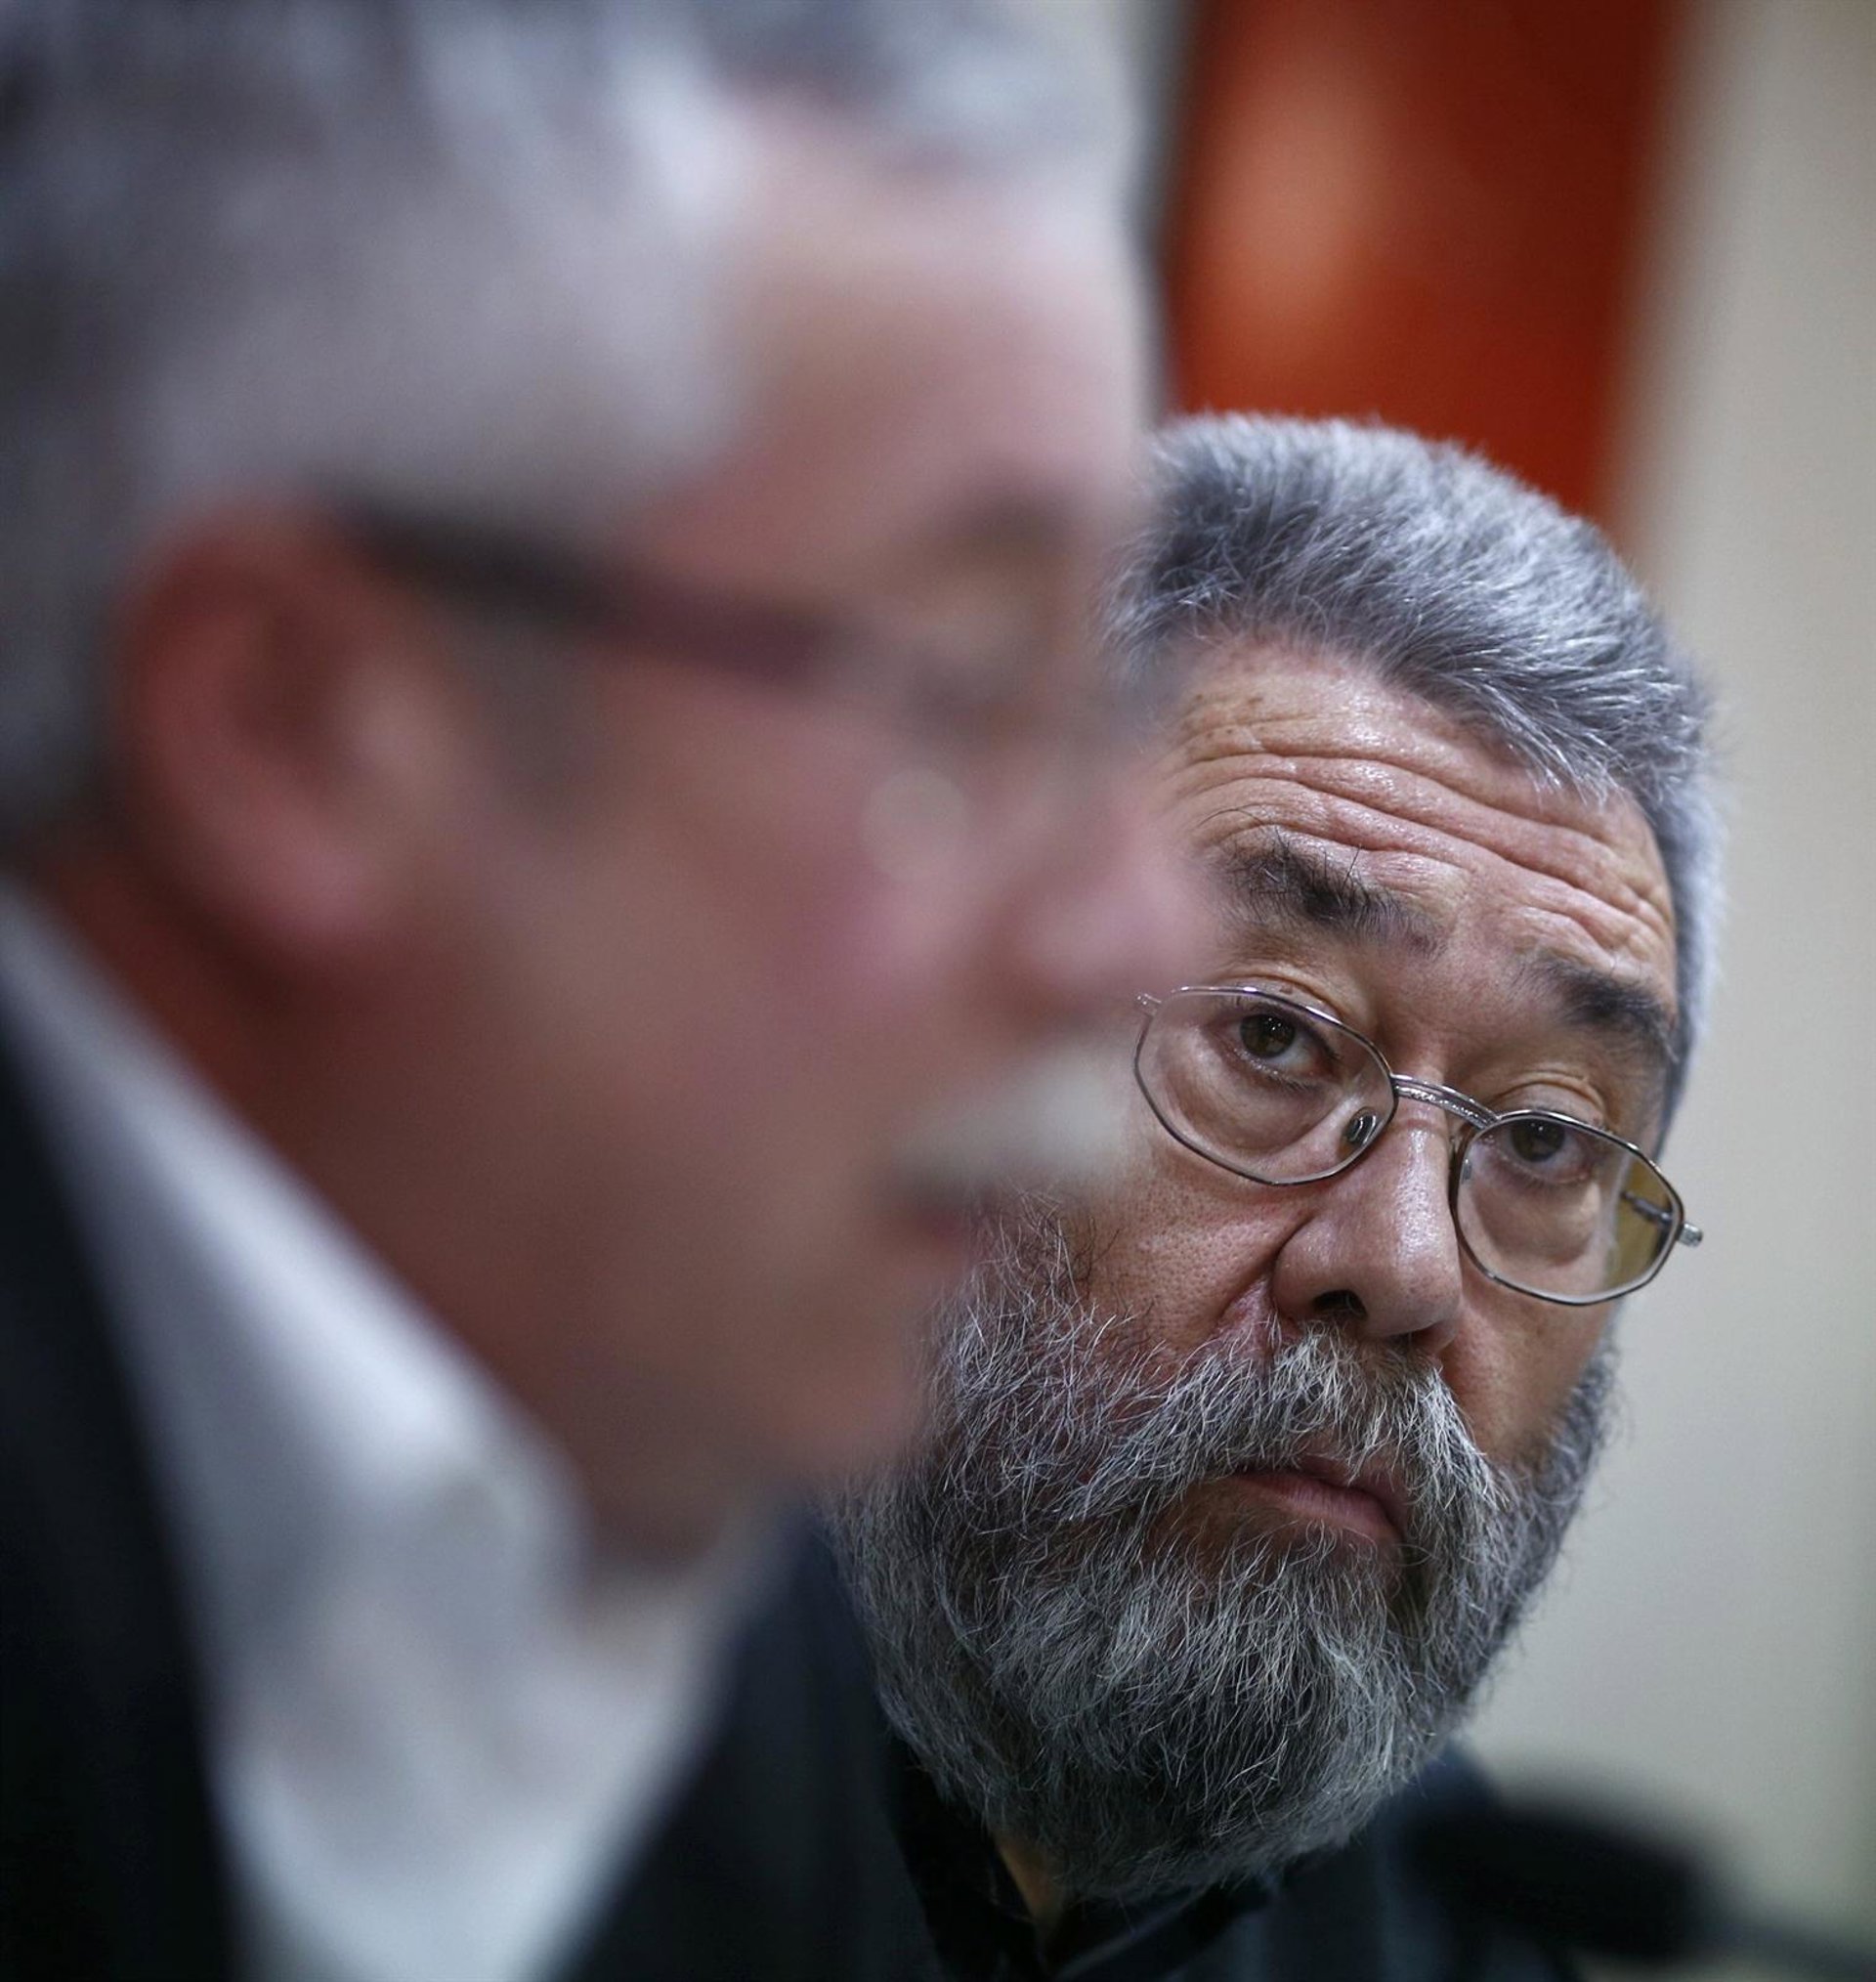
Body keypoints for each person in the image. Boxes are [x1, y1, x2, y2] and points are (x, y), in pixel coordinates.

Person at [0, 4, 1187, 1977]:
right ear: (290, 724)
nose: (1133, 931)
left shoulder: (705, 1589)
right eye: (964, 691)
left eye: (1104, 704)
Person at [830, 413, 1722, 1980]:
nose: (1405, 1265)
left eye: (1544, 1140)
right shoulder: (478, 1767)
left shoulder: (1469, 1935)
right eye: (1270, 1037)